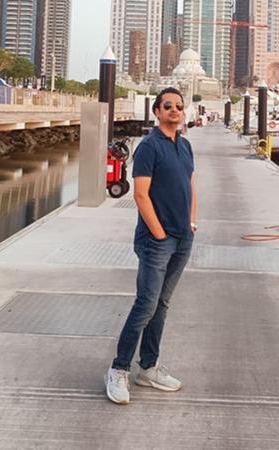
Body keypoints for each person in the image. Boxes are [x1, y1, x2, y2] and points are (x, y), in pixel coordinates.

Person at [105, 87, 197, 405]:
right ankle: (119, 369)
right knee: (146, 305)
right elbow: (141, 194)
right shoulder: (148, 147)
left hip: (182, 238)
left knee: (162, 304)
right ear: (157, 111)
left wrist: (191, 223)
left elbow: (190, 186)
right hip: (156, 241)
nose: (175, 110)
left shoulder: (185, 146)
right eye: (167, 105)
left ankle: (148, 368)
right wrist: (159, 233)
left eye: (179, 106)